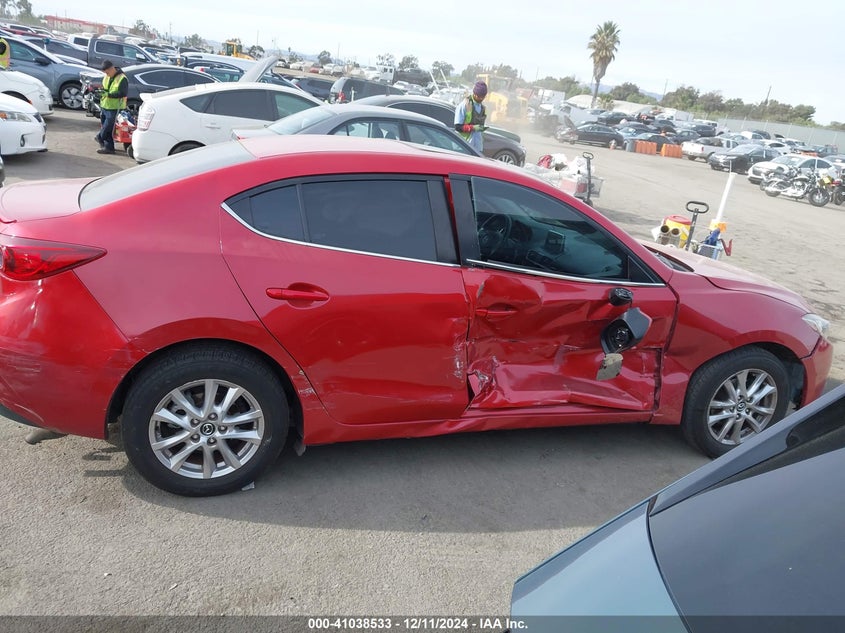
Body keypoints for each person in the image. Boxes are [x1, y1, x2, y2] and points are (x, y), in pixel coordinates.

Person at [94, 60, 128, 155]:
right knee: (107, 127)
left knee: (108, 126)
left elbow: (122, 93)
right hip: (105, 105)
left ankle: (100, 137)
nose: (107, 74)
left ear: (111, 69)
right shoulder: (106, 77)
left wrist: (108, 94)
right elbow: (105, 88)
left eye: (107, 72)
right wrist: (100, 91)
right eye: (105, 73)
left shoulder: (122, 78)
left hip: (115, 107)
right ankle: (108, 148)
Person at [454, 80, 488, 153]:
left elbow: (481, 125)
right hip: (463, 147)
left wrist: (481, 128)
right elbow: (457, 127)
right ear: (474, 94)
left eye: (483, 97)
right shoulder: (464, 106)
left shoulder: (483, 108)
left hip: (477, 148)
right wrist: (472, 128)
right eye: (480, 97)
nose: (481, 99)